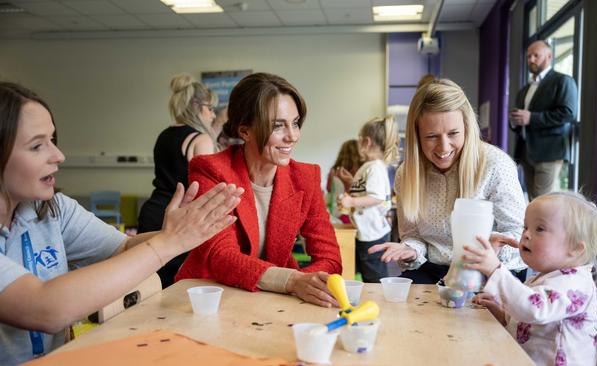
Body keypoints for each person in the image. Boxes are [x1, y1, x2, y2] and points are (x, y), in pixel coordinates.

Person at [0, 82, 243, 365]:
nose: (58, 156)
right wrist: (169, 242)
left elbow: (123, 247)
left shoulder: (51, 208)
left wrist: (183, 232)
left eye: (53, 140)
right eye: (37, 146)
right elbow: (45, 308)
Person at [176, 72, 342, 307]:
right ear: (245, 131)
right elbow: (222, 256)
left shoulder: (305, 177)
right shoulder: (211, 170)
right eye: (278, 126)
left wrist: (309, 283)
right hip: (213, 297)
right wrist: (293, 281)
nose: (292, 136)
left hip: (271, 300)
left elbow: (330, 258)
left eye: (295, 123)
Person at [368, 79, 528, 284]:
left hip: (490, 269)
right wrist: (410, 250)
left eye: (453, 133)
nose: (443, 147)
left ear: (467, 128)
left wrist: (490, 249)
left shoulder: (496, 165)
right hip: (434, 269)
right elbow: (414, 236)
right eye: (431, 136)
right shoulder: (406, 174)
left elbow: (519, 234)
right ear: (416, 135)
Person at [464, 191, 597, 366]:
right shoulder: (544, 277)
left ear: (575, 248)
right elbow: (531, 322)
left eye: (540, 229)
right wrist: (503, 314)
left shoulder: (575, 285)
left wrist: (495, 270)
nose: (526, 234)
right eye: (525, 227)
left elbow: (533, 310)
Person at [138, 74, 220, 288]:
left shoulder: (164, 135)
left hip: (152, 211)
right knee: (179, 290)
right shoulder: (200, 140)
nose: (213, 114)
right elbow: (205, 189)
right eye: (210, 108)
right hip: (178, 219)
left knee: (150, 287)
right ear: (197, 106)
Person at [509, 40, 578, 199]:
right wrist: (514, 121)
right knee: (533, 202)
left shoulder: (563, 81)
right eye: (528, 57)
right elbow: (521, 122)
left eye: (536, 56)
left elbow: (568, 113)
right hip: (526, 153)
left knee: (544, 202)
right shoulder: (524, 90)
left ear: (549, 56)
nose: (531, 60)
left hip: (549, 153)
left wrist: (531, 118)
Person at [337, 117, 399, 282]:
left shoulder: (374, 168)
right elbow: (365, 192)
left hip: (373, 235)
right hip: (367, 232)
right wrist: (349, 187)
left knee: (374, 277)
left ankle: (378, 302)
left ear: (366, 142)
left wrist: (351, 202)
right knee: (364, 269)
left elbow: (376, 197)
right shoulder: (371, 167)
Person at [326, 139, 363, 224]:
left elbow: (329, 190)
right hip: (353, 213)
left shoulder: (333, 171)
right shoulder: (360, 172)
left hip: (336, 213)